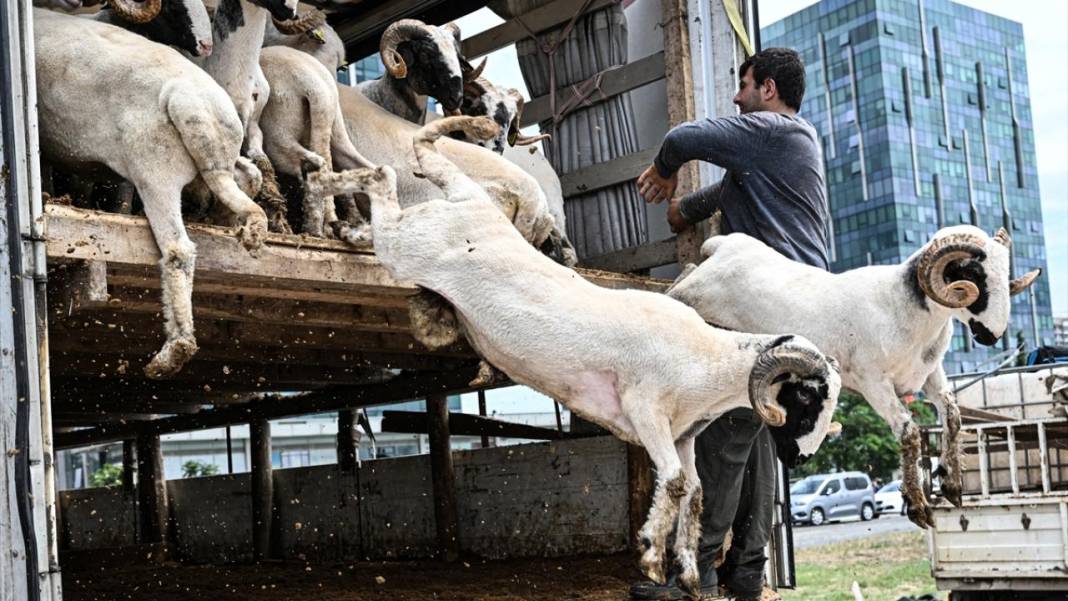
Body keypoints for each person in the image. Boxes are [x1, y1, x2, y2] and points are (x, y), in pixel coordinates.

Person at [629, 48, 830, 601]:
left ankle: (693, 580)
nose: (736, 99)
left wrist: (663, 172)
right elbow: (726, 192)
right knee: (757, 437)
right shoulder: (785, 151)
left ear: (768, 90)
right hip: (796, 322)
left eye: (743, 86)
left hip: (771, 314)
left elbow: (682, 139)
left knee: (721, 440)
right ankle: (746, 575)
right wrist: (683, 211)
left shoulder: (773, 131)